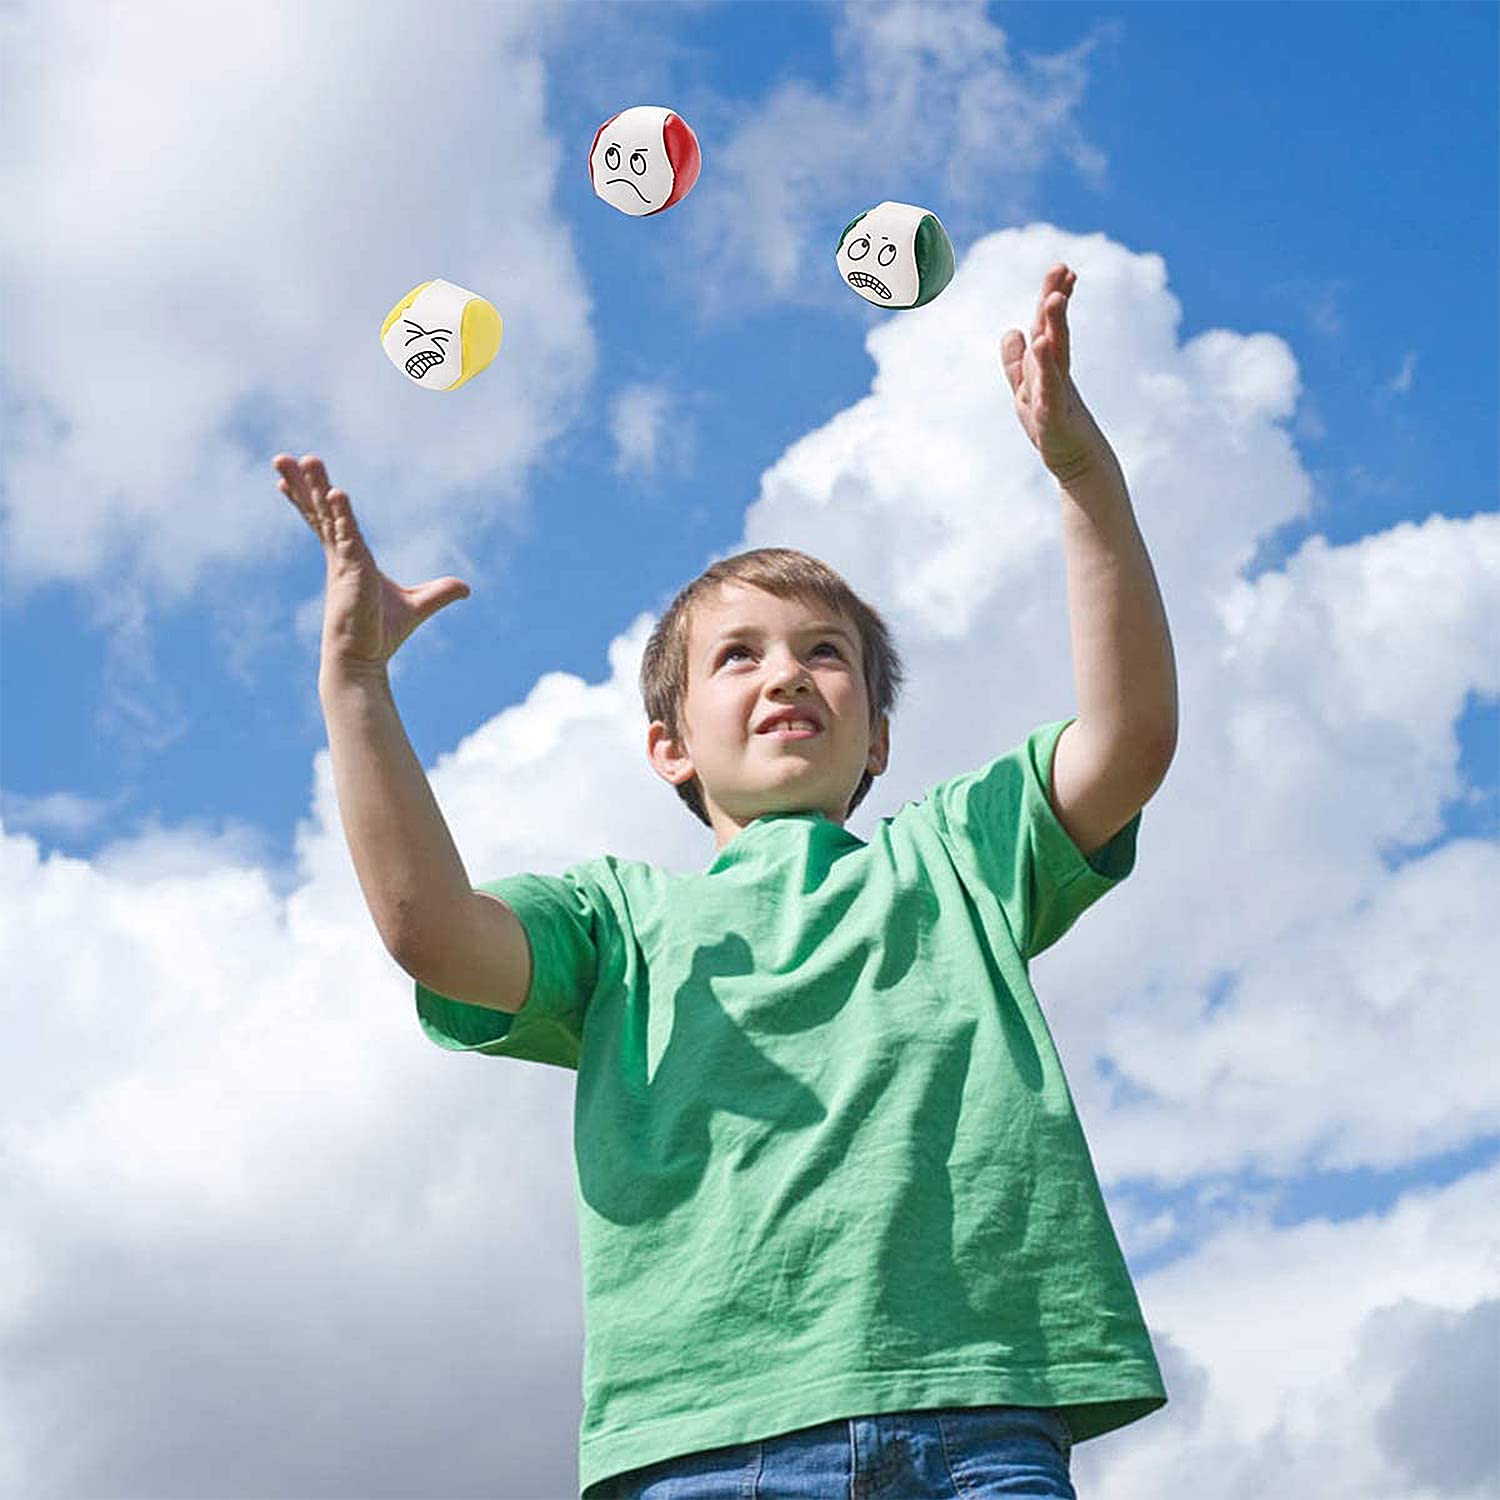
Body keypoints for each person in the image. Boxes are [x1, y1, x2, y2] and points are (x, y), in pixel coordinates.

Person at [275, 262, 1178, 1499]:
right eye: (738, 656)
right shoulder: (617, 923)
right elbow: (431, 931)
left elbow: (1127, 743)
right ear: (671, 744)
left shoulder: (958, 857)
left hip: (975, 1416)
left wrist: (1085, 482)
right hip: (706, 1446)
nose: (788, 675)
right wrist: (358, 686)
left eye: (827, 655)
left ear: (880, 742)